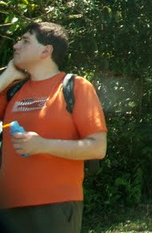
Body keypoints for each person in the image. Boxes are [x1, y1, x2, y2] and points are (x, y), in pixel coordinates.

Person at [0, 21, 107, 233]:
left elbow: (97, 148)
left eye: (25, 41)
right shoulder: (11, 90)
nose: (16, 46)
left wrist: (42, 145)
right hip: (7, 209)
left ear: (46, 51)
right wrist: (8, 75)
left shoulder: (75, 86)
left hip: (54, 206)